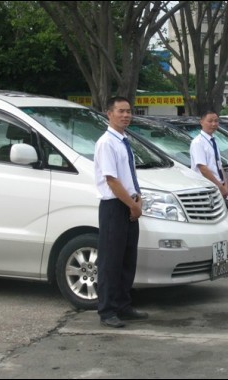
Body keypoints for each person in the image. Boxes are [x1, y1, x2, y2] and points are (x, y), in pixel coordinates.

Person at [94, 96, 149, 328]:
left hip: (129, 204)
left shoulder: (124, 141)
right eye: (120, 111)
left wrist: (138, 198)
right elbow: (112, 181)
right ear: (109, 113)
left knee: (128, 259)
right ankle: (107, 310)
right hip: (115, 207)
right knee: (111, 261)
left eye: (128, 111)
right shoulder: (106, 143)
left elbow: (128, 177)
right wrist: (132, 205)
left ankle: (123, 305)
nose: (126, 115)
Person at [190, 110, 228, 198]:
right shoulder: (198, 142)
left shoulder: (213, 140)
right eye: (210, 121)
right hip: (206, 188)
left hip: (218, 186)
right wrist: (220, 187)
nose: (214, 124)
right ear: (201, 122)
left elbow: (219, 165)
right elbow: (203, 169)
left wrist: (225, 184)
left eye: (216, 121)